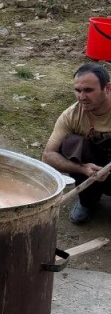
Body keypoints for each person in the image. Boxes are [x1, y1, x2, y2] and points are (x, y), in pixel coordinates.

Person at [42, 62, 111, 224]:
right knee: (71, 143)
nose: (81, 97)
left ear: (107, 88)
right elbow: (48, 156)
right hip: (95, 171)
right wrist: (83, 168)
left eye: (88, 90)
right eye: (78, 90)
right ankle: (88, 201)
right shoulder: (71, 116)